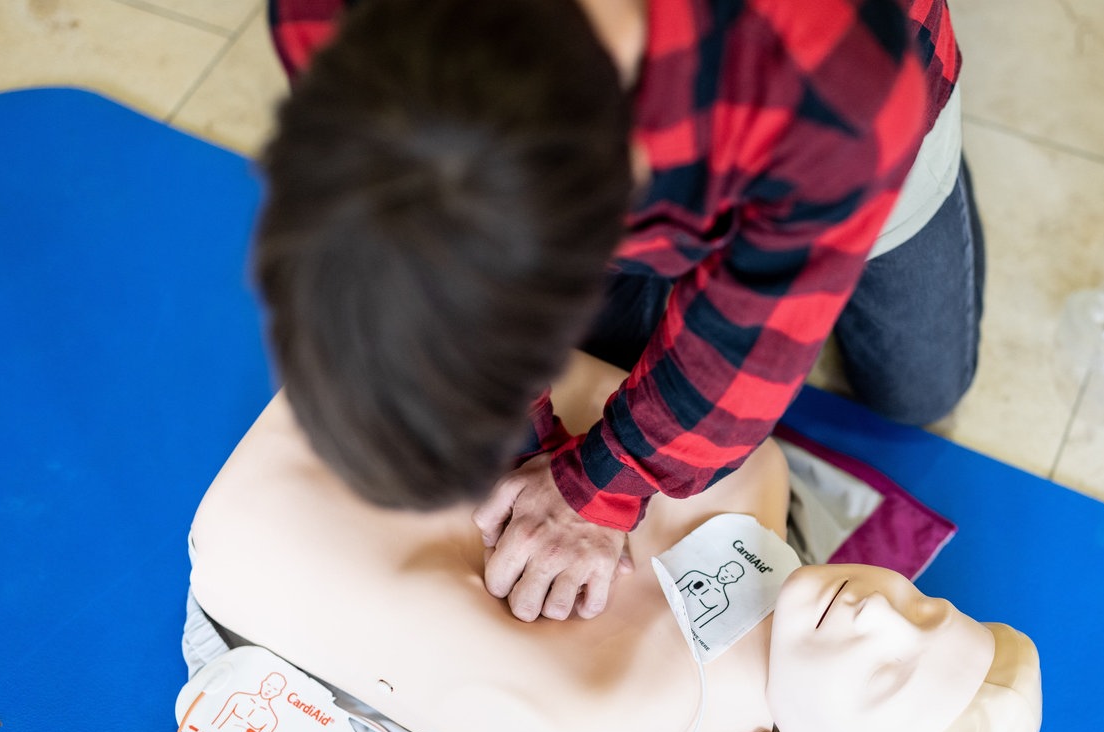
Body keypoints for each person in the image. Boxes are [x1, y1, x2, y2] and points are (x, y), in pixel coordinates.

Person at [257, 0, 981, 624]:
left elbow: (748, 340)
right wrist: (514, 430)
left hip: (857, 122)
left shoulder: (830, 77)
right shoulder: (336, 26)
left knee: (918, 394)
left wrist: (596, 489)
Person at [186, 352, 1038, 732]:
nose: (884, 618)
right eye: (928, 609)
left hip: (281, 487)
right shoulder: (756, 479)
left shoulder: (601, 724)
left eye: (889, 678)